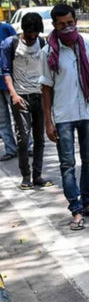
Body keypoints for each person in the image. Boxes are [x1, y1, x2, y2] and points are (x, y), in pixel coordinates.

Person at [41, 4, 89, 231]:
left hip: (87, 112)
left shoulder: (87, 46)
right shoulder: (48, 52)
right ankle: (75, 209)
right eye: (62, 25)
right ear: (54, 26)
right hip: (63, 115)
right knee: (67, 165)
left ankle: (86, 203)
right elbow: (46, 88)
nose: (67, 28)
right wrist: (49, 121)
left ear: (75, 21)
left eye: (70, 23)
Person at [1, 12, 53, 190]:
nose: (33, 38)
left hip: (39, 96)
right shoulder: (11, 44)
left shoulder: (42, 43)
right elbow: (6, 71)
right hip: (21, 97)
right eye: (30, 35)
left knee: (40, 139)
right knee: (23, 138)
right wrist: (14, 95)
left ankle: (37, 175)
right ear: (24, 30)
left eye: (36, 34)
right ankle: (26, 176)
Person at [0, 19, 18, 161]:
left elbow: (18, 50)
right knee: (2, 119)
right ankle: (10, 149)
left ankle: (27, 146)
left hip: (9, 82)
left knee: (19, 115)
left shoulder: (6, 29)